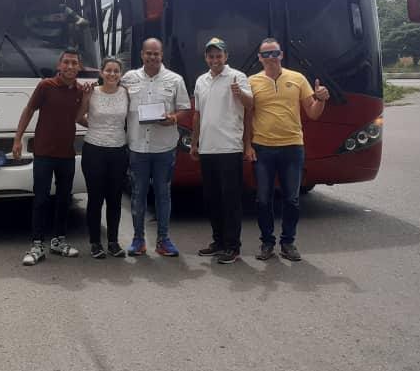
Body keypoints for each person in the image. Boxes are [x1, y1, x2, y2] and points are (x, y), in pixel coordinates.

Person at [245, 38, 330, 262]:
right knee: (263, 200)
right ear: (260, 58)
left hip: (292, 147)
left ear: (281, 55)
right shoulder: (251, 82)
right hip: (263, 148)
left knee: (292, 199)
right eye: (266, 54)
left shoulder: (297, 78)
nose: (271, 58)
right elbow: (246, 116)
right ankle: (267, 243)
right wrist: (248, 145)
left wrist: (321, 99)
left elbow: (313, 112)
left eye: (275, 53)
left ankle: (288, 242)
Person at [13, 49, 87, 266]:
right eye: (66, 62)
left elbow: (79, 118)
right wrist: (17, 139)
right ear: (59, 65)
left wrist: (104, 128)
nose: (70, 66)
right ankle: (37, 245)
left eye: (74, 63)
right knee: (41, 199)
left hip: (67, 155)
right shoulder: (46, 86)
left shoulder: (80, 90)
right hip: (44, 154)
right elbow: (28, 110)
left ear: (79, 67)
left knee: (64, 199)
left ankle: (58, 241)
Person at [122, 38, 191, 256]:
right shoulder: (128, 78)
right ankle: (138, 240)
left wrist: (173, 118)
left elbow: (185, 109)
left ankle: (163, 240)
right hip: (137, 147)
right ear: (142, 54)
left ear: (162, 55)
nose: (152, 57)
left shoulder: (175, 80)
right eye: (148, 53)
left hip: (164, 148)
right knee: (138, 195)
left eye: (156, 53)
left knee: (163, 194)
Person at [191, 38, 253, 264]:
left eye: (219, 55)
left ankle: (233, 246)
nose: (215, 60)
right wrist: (195, 142)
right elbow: (198, 114)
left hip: (229, 147)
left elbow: (250, 105)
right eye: (211, 56)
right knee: (212, 198)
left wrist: (239, 93)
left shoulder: (238, 77)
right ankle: (218, 241)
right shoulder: (201, 80)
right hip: (207, 148)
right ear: (206, 58)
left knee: (230, 199)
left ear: (226, 56)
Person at [75, 58, 129, 259]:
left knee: (115, 199)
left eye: (116, 71)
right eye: (108, 70)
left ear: (121, 74)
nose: (112, 74)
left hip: (118, 150)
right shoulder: (92, 92)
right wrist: (96, 127)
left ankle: (113, 242)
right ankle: (95, 242)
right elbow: (78, 117)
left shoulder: (126, 93)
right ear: (101, 72)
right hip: (94, 150)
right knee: (95, 198)